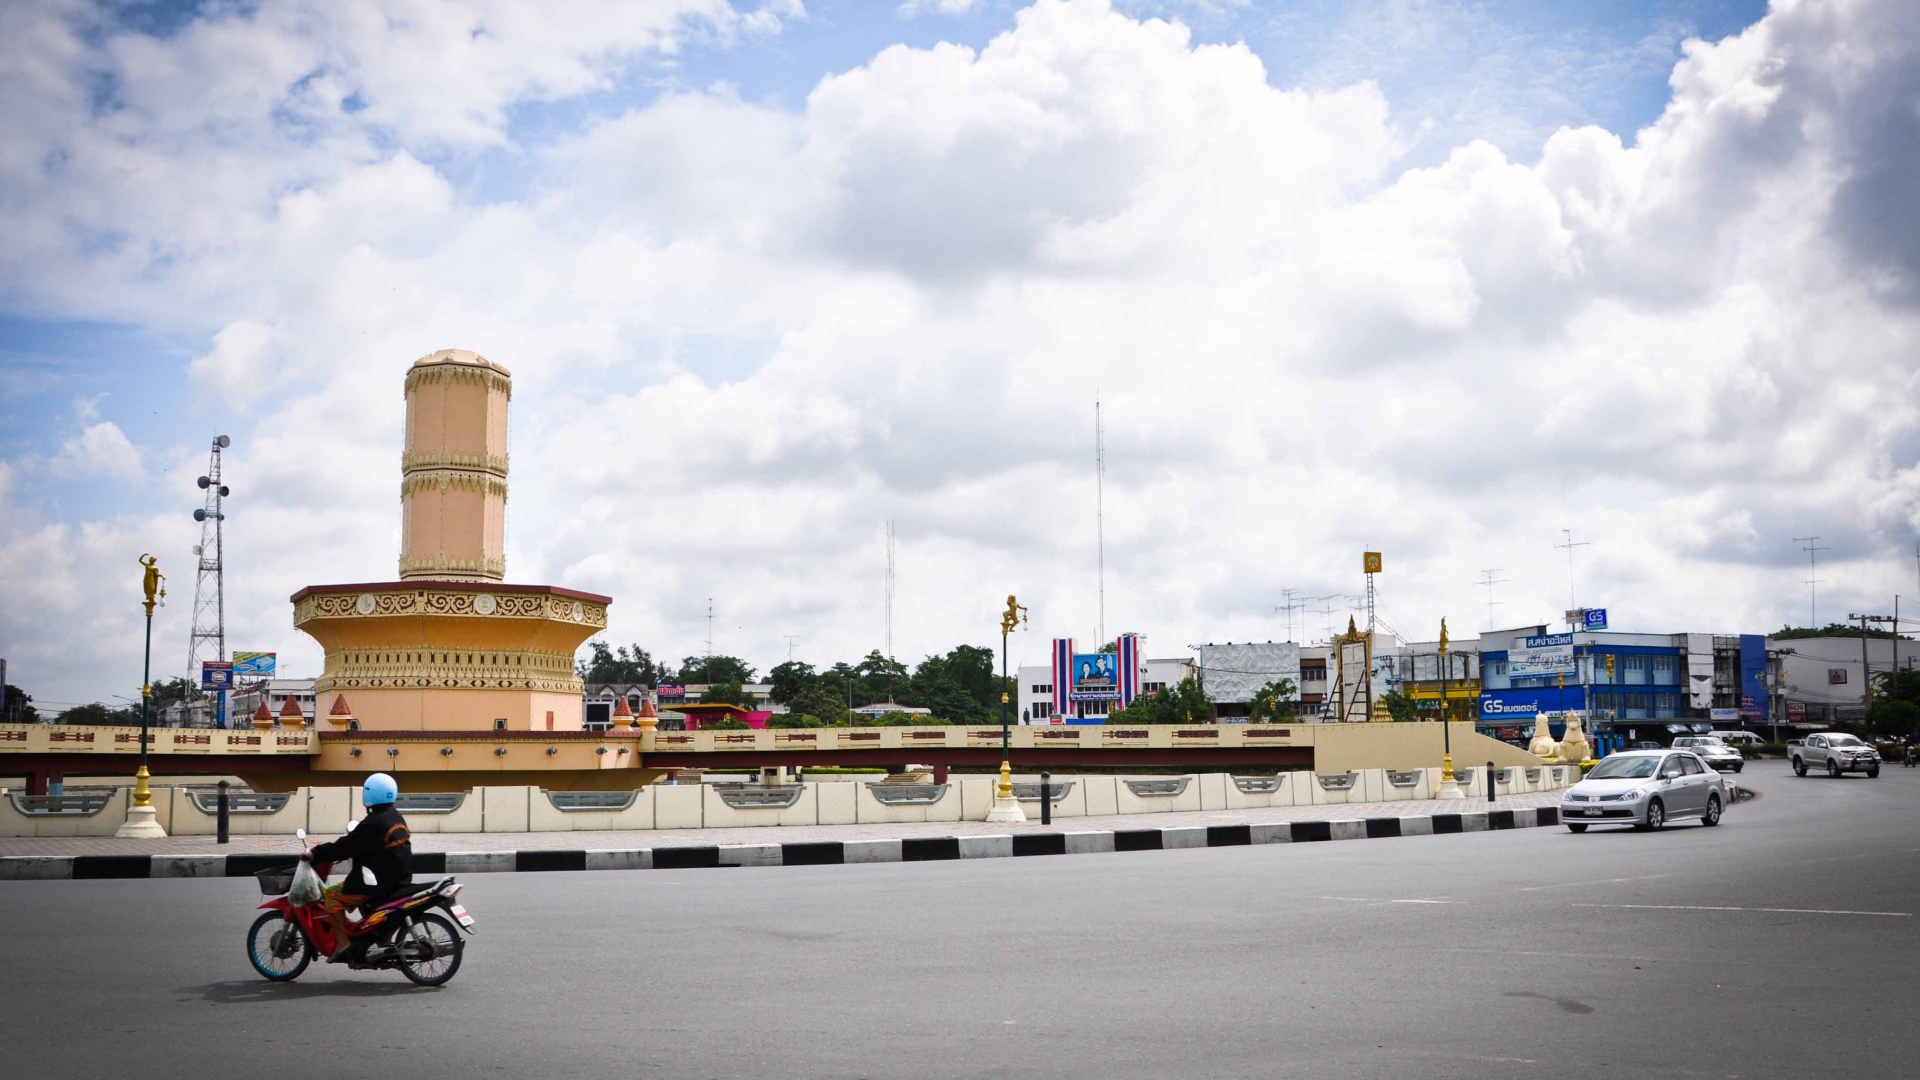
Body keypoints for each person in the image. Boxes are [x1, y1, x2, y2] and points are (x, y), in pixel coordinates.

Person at [303, 773, 412, 961]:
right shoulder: (396, 817)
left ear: (369, 795)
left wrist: (316, 853)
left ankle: (343, 943)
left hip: (378, 883)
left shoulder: (373, 823)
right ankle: (377, 936)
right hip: (399, 880)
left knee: (331, 895)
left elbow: (344, 847)